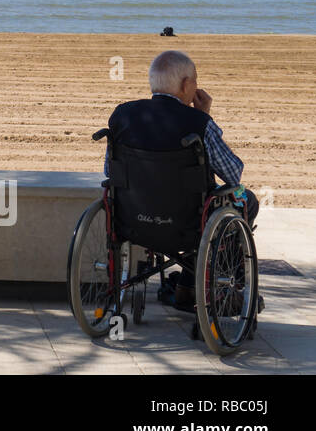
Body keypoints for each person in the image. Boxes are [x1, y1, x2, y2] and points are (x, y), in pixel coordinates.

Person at [104, 50, 256, 307]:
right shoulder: (199, 123)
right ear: (187, 85)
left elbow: (110, 171)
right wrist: (205, 116)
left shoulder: (123, 115)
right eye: (195, 81)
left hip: (132, 221)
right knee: (246, 200)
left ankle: (187, 285)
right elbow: (233, 174)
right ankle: (197, 286)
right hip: (187, 225)